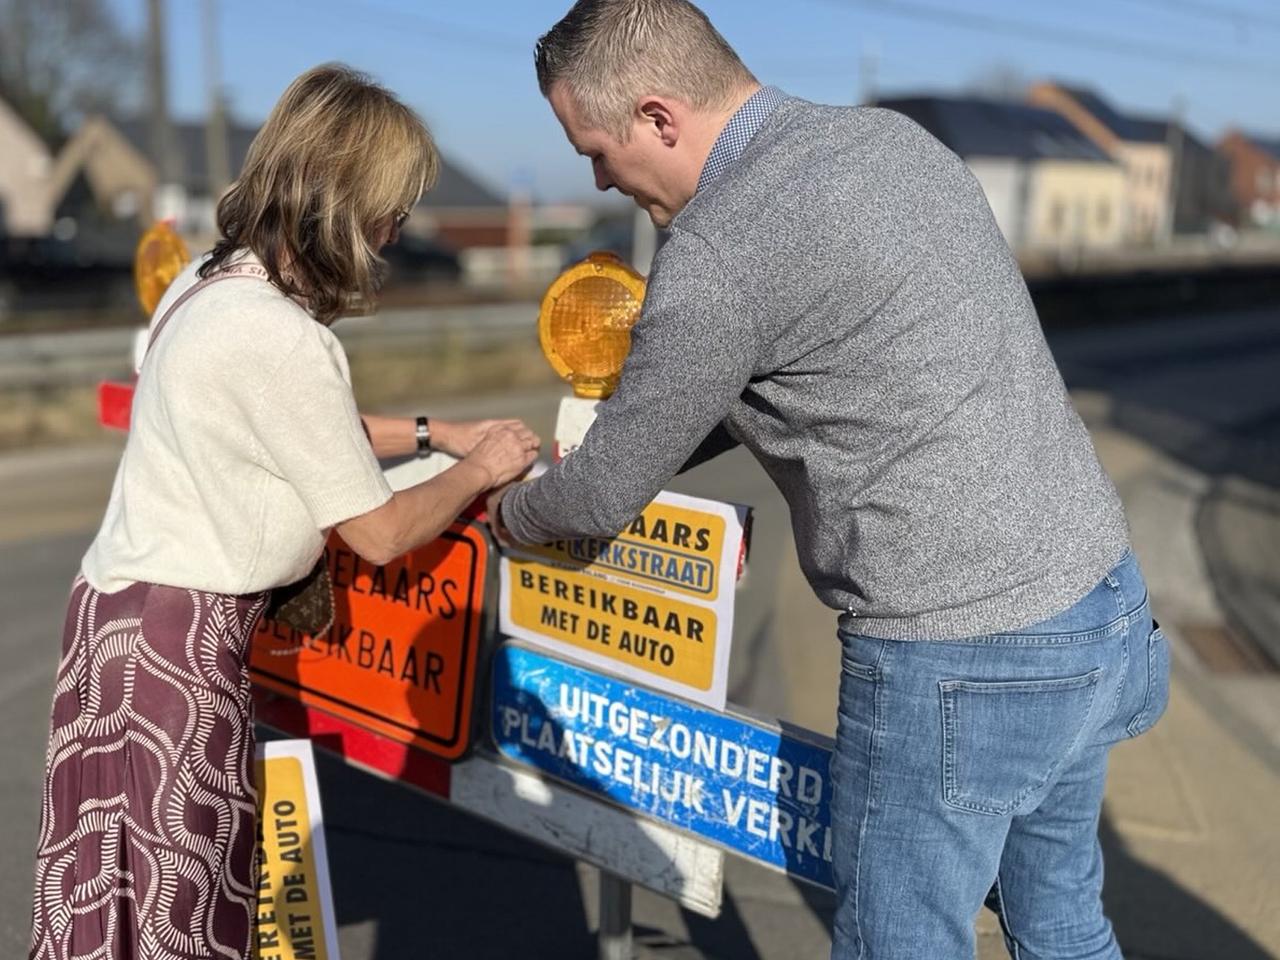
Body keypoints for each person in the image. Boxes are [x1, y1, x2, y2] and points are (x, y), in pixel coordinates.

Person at [489, 3, 1170, 958]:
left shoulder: (722, 247)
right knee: (1061, 923)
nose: (598, 175)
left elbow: (601, 496)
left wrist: (508, 506)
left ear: (657, 116)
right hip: (1096, 597)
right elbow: (821, 369)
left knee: (902, 942)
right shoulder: (890, 142)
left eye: (595, 149)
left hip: (961, 657)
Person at [28, 64, 539, 960]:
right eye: (391, 206)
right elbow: (378, 532)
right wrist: (482, 465)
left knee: (99, 906)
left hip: (108, 621)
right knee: (181, 913)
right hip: (182, 642)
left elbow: (292, 430)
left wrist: (435, 430)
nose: (395, 231)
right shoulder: (284, 338)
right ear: (341, 201)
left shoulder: (208, 281)